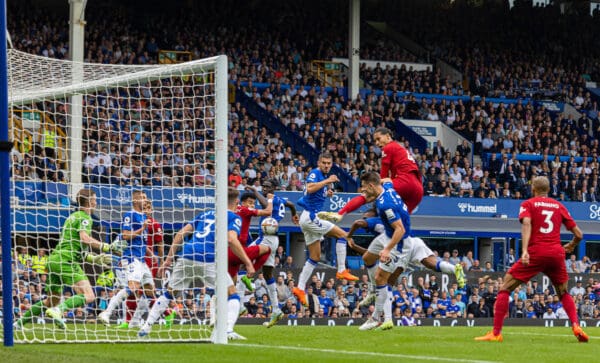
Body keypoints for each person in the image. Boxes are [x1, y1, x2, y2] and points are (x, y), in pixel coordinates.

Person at [475, 176, 588, 343]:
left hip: (537, 252)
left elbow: (526, 223)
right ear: (548, 190)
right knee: (563, 292)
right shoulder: (559, 206)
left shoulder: (528, 204)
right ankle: (576, 325)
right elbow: (579, 234)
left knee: (505, 287)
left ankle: (496, 333)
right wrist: (571, 245)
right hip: (556, 253)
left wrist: (525, 250)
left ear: (533, 189)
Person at [138, 187, 255, 340]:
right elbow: (232, 239)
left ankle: (146, 327)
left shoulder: (205, 214)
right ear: (237, 202)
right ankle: (227, 330)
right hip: (208, 259)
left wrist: (168, 259)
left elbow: (180, 234)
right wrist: (248, 262)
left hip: (187, 255)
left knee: (169, 292)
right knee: (232, 294)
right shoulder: (234, 217)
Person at [353, 172, 465, 331]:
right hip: (407, 239)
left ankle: (378, 318)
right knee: (428, 263)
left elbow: (399, 229)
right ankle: (454, 269)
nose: (363, 192)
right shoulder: (387, 189)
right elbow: (388, 181)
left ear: (371, 186)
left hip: (400, 244)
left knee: (382, 279)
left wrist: (387, 249)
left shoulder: (385, 205)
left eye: (364, 188)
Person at [15, 189, 120, 330]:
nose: (96, 201)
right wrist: (107, 247)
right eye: (95, 199)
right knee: (89, 295)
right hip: (66, 261)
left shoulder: (72, 216)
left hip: (54, 260)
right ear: (89, 201)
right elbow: (84, 238)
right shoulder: (85, 217)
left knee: (51, 300)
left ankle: (19, 323)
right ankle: (59, 310)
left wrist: (94, 259)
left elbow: (75, 246)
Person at [292, 152, 358, 307]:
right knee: (343, 235)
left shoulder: (322, 177)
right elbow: (309, 188)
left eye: (329, 163)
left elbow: (315, 192)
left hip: (308, 218)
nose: (327, 165)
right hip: (311, 217)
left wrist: (327, 193)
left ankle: (300, 288)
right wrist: (328, 181)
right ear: (319, 163)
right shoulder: (316, 173)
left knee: (314, 257)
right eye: (324, 163)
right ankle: (341, 269)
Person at [317, 127, 423, 223]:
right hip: (418, 189)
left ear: (387, 136)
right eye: (375, 140)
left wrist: (369, 189)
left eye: (378, 139)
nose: (377, 143)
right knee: (400, 224)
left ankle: (340, 214)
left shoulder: (388, 147)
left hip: (405, 182)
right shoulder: (400, 148)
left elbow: (383, 176)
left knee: (367, 196)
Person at [98, 190, 155, 328]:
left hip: (141, 259)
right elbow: (125, 235)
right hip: (131, 257)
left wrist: (150, 253)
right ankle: (107, 313)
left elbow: (141, 240)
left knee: (150, 290)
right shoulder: (130, 215)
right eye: (142, 198)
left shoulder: (144, 217)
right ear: (135, 201)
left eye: (146, 198)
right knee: (133, 287)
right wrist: (142, 228)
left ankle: (137, 321)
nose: (145, 200)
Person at [249, 178, 299, 328]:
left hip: (265, 238)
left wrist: (255, 191)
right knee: (268, 274)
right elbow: (290, 204)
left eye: (267, 186)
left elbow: (266, 206)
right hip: (272, 239)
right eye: (263, 186)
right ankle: (276, 309)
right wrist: (294, 214)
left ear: (275, 188)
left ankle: (239, 298)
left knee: (241, 258)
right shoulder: (280, 199)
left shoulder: (271, 200)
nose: (264, 188)